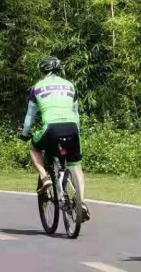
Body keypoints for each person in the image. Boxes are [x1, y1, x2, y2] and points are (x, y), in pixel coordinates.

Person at [18, 56, 89, 221]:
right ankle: (82, 203)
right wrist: (76, 135)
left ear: (43, 70)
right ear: (59, 70)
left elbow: (30, 116)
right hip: (72, 128)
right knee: (76, 167)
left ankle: (44, 176)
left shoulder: (37, 87)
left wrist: (24, 133)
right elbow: (76, 114)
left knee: (34, 147)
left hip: (51, 129)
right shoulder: (70, 85)